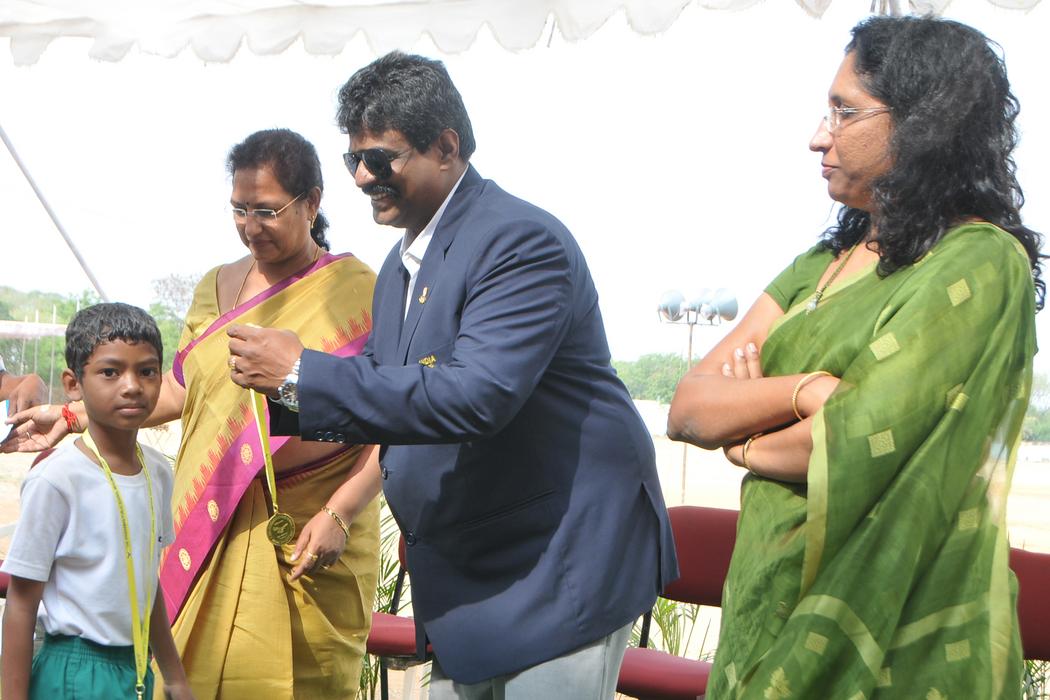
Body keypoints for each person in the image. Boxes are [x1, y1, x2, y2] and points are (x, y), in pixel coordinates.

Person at [227, 52, 678, 697]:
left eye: (379, 158)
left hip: (555, 567)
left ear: (445, 146)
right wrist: (283, 397)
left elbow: (476, 394)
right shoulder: (399, 269)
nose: (362, 176)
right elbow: (386, 392)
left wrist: (302, 371)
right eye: (353, 159)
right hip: (472, 575)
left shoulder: (519, 241)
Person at [667, 16, 1041, 699]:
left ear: (924, 121)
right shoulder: (823, 262)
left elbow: (853, 436)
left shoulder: (979, 262)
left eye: (845, 111)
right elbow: (689, 409)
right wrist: (807, 389)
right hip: (768, 598)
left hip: (902, 635)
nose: (819, 136)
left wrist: (741, 440)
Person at [6, 129, 381, 699]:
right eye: (238, 209)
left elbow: (397, 423)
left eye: (266, 210)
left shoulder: (360, 294)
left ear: (312, 202)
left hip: (310, 539)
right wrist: (74, 414)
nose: (250, 226)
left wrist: (341, 511)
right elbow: (178, 391)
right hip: (210, 526)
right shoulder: (217, 286)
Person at [0, 302, 194, 700]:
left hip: (134, 667)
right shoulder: (56, 479)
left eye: (147, 371)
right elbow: (21, 603)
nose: (132, 386)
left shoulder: (158, 472)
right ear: (73, 385)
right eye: (110, 372)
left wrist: (174, 676)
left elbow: (146, 581)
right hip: (72, 671)